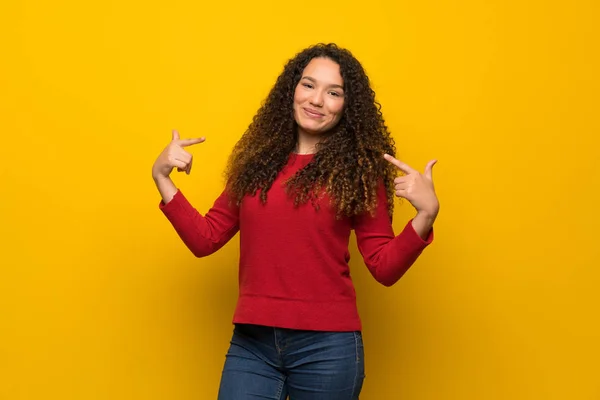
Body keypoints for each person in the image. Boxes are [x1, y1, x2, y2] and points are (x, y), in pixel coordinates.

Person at [152, 43, 439, 400]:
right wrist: (163, 179)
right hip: (252, 344)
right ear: (292, 90)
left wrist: (425, 215)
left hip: (328, 349)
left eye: (333, 92)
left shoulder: (359, 174)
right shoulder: (255, 165)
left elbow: (383, 267)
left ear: (347, 106)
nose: (317, 100)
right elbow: (205, 239)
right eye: (309, 85)